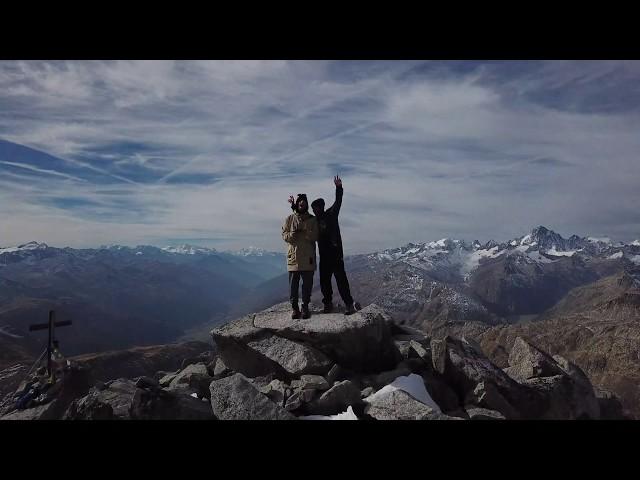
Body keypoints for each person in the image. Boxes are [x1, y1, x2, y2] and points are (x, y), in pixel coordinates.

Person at [289, 176, 357, 315]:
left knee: (341, 282)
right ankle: (328, 304)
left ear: (321, 207)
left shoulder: (331, 214)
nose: (315, 210)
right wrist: (293, 205)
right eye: (314, 208)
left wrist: (339, 188)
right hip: (324, 257)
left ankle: (349, 305)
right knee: (325, 283)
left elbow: (338, 202)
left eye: (317, 208)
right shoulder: (314, 221)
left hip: (336, 255)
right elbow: (301, 215)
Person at [282, 193, 318, 319]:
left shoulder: (312, 220)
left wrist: (305, 230)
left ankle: (305, 307)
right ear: (297, 204)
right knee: (293, 286)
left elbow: (316, 236)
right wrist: (293, 233)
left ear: (307, 205)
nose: (302, 205)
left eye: (304, 203)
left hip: (308, 258)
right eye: (300, 203)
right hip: (294, 258)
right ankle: (294, 308)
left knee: (307, 285)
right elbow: (284, 236)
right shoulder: (289, 219)